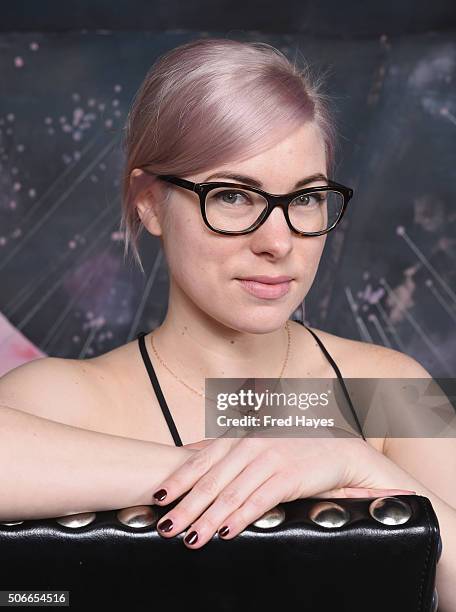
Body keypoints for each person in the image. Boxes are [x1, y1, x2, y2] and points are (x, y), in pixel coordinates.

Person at [0, 37, 455, 608]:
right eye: (235, 196)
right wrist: (242, 471)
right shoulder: (71, 397)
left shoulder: (384, 392)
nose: (278, 242)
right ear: (148, 201)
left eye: (307, 198)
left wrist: (346, 459)